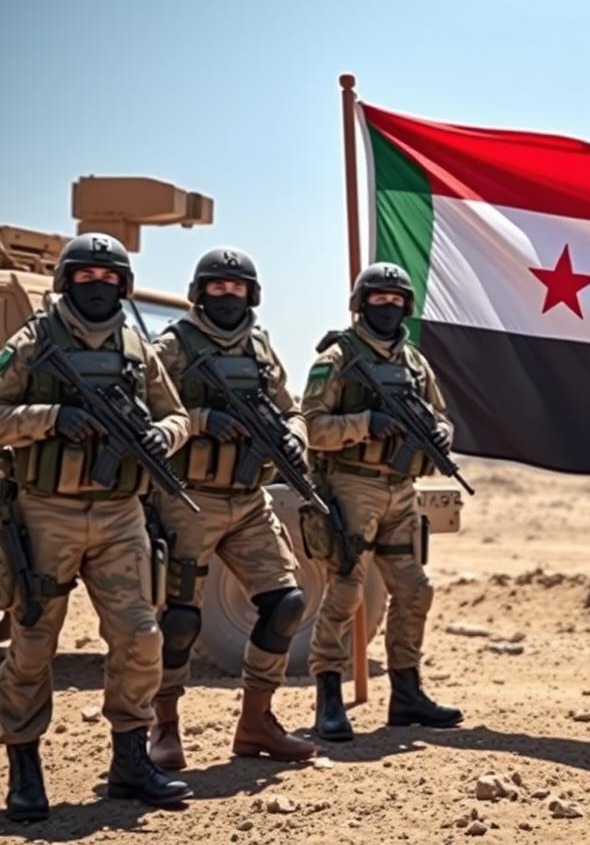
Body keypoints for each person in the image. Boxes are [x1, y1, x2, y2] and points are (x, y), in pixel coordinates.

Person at [0, 234, 192, 821]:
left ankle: (130, 762)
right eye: (85, 276)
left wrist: (166, 435)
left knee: (141, 635)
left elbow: (177, 413)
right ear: (65, 282)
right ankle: (25, 767)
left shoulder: (139, 346)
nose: (98, 285)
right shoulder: (33, 341)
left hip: (120, 514)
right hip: (46, 510)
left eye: (108, 277)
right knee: (33, 642)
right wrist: (53, 417)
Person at [147, 248, 315, 769]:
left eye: (236, 288)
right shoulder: (172, 347)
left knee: (286, 604)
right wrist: (198, 420)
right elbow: (142, 414)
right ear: (199, 293)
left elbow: (292, 411)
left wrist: (293, 440)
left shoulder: (261, 349)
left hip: (249, 501)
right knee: (178, 620)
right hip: (188, 499)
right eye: (216, 288)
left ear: (252, 295)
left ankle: (255, 723)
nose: (226, 296)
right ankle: (165, 727)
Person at [302, 261, 462, 741]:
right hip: (352, 486)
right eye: (379, 298)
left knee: (415, 588)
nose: (388, 306)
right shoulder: (337, 358)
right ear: (360, 303)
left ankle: (406, 693)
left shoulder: (414, 362)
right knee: (346, 590)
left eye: (396, 300)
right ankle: (328, 696)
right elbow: (311, 427)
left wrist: (437, 433)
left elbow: (442, 417)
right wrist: (365, 424)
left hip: (401, 490)